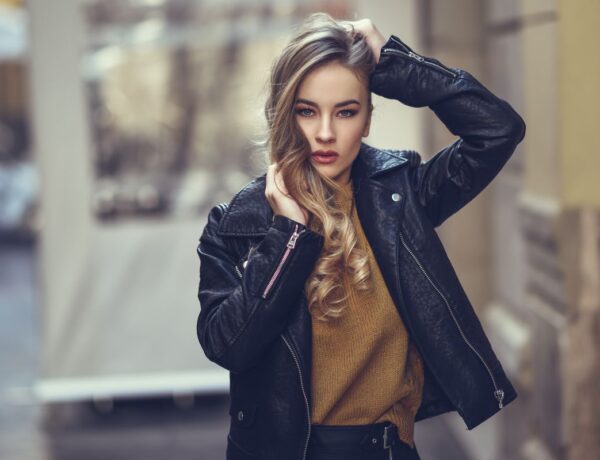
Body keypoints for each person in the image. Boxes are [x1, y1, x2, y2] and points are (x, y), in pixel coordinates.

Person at [196, 12, 526, 460]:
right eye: (307, 111)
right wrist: (288, 235)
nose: (325, 133)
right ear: (284, 115)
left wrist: (394, 63)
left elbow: (497, 129)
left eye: (346, 111)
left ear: (367, 119)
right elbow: (227, 344)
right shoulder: (237, 223)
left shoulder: (404, 196)